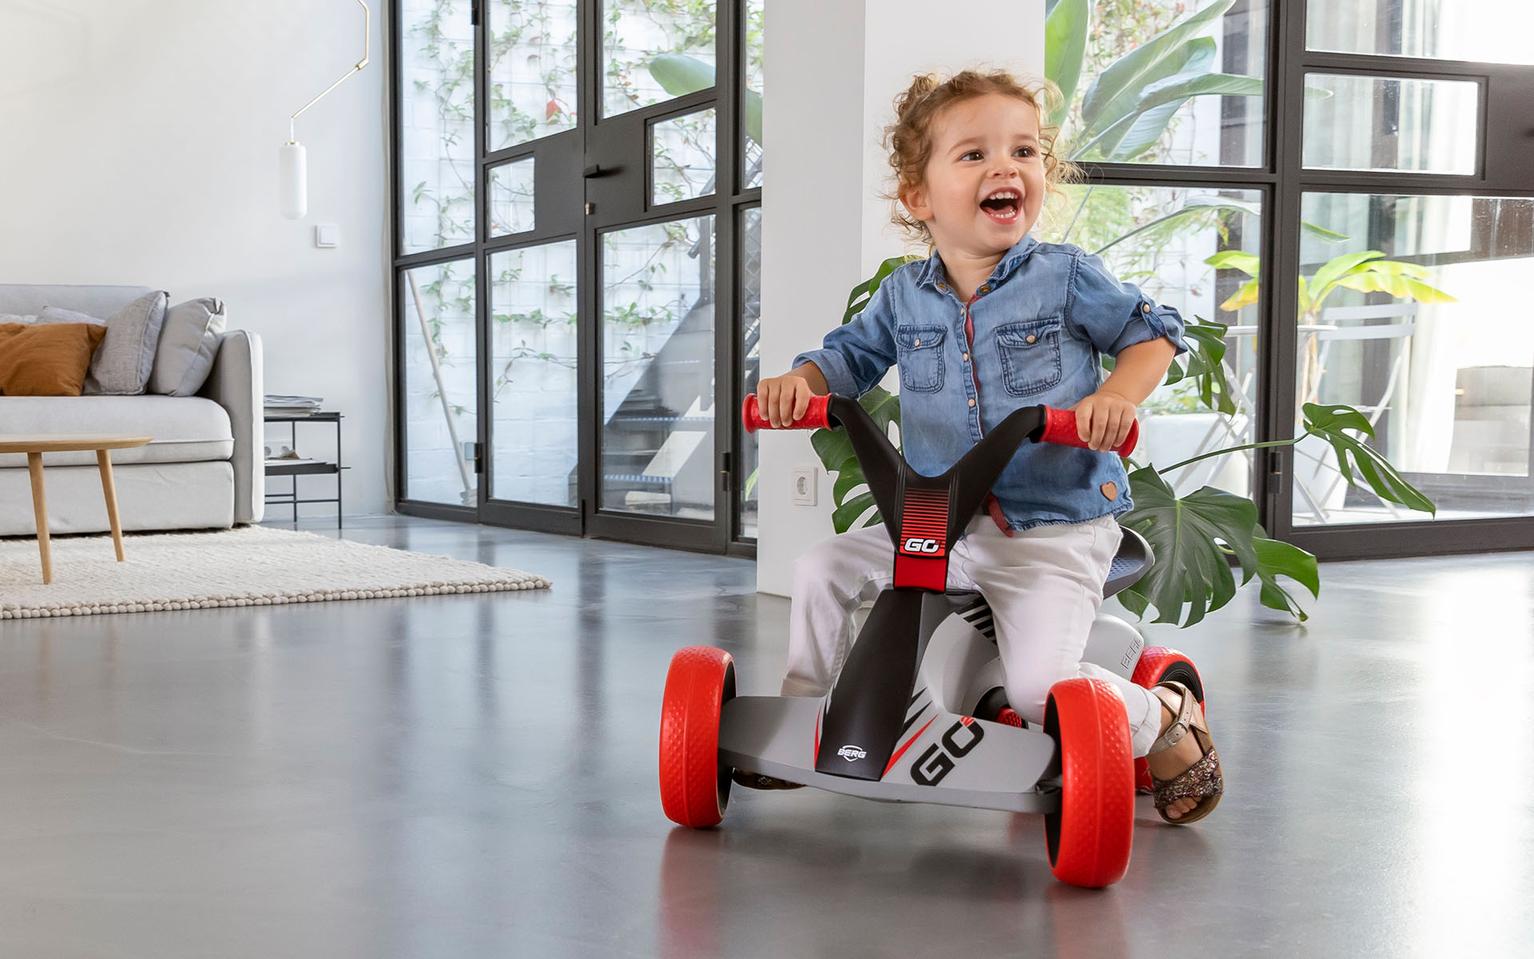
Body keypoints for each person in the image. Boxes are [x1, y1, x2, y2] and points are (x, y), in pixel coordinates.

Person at [744, 69, 1222, 824]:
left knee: (1039, 693)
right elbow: (845, 359)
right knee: (821, 568)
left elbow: (1152, 334)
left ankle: (1165, 713)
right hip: (939, 525)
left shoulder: (1064, 278)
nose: (1006, 167)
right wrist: (799, 385)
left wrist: (1115, 398)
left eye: (1024, 151)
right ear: (919, 197)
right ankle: (806, 711)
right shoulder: (903, 296)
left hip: (1052, 529)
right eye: (974, 154)